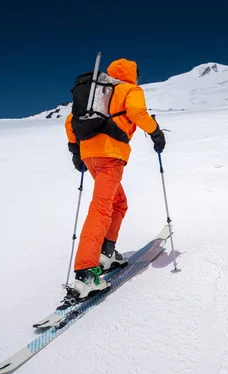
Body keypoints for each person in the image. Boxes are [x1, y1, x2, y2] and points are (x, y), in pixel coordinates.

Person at [65, 58, 166, 299]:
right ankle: (86, 273)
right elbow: (137, 111)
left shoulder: (98, 91)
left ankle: (106, 253)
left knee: (118, 202)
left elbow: (70, 121)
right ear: (134, 74)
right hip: (111, 155)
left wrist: (76, 151)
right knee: (101, 208)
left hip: (90, 155)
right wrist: (156, 133)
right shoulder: (130, 89)